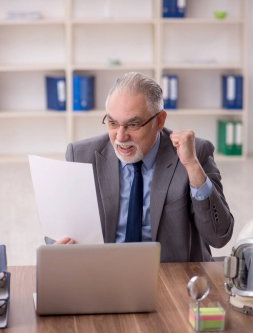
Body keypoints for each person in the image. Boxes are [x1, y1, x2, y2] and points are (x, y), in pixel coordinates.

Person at [58, 72, 234, 262]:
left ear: (159, 121)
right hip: (106, 271)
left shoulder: (194, 153)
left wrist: (192, 166)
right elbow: (61, 232)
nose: (120, 137)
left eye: (133, 124)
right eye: (112, 123)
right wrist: (60, 245)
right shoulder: (81, 155)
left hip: (173, 275)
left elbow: (219, 236)